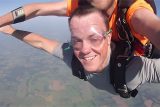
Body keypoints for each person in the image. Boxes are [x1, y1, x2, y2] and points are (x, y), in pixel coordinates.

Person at [1, 6, 160, 98]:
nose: (84, 50)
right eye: (77, 40)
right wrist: (10, 31)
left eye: (94, 38)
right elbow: (41, 42)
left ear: (108, 36)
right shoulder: (72, 55)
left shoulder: (135, 69)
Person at [0, 0, 160, 52]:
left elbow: (152, 26)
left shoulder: (134, 11)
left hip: (138, 60)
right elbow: (37, 9)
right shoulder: (84, 3)